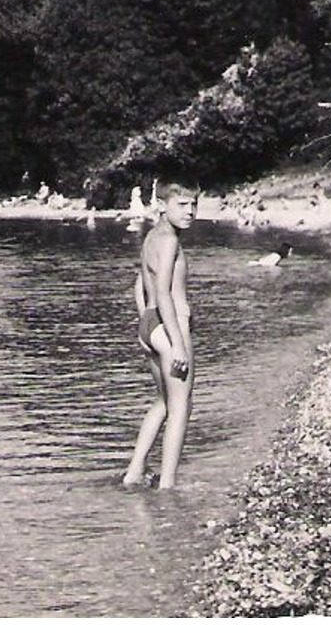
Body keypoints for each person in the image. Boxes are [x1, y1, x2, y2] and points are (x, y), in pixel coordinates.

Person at [123, 181, 199, 489]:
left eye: (194, 204)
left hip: (151, 324)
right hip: (170, 327)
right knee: (182, 407)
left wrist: (145, 323)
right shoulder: (169, 241)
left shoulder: (152, 236)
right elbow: (166, 294)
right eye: (182, 205)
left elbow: (139, 284)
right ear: (163, 205)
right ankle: (168, 485)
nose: (190, 211)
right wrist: (177, 344)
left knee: (164, 402)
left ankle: (134, 472)